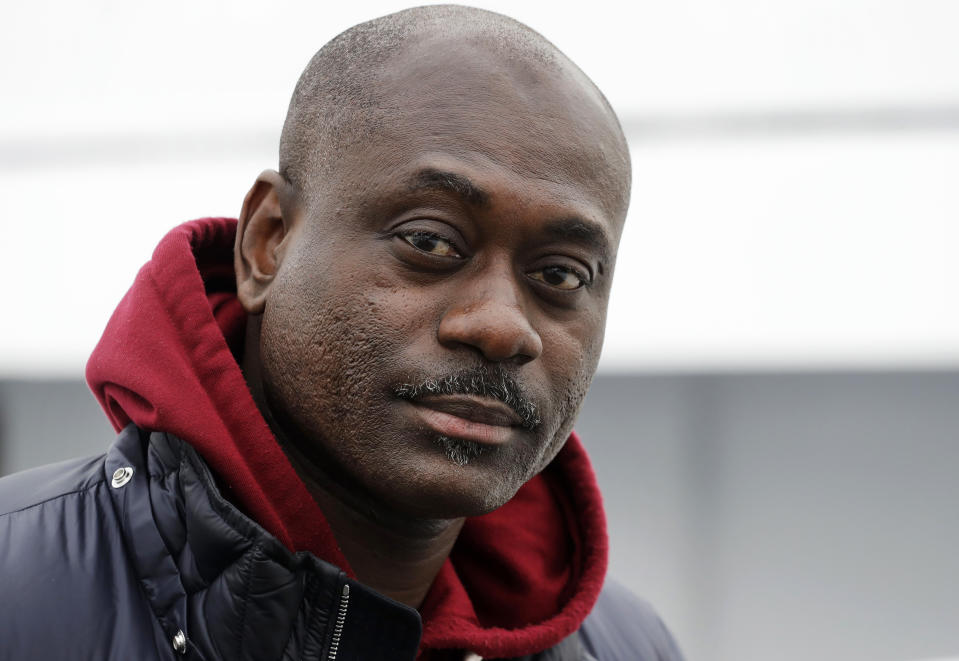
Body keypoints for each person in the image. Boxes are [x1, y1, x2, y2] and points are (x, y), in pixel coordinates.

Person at [0, 6, 684, 660]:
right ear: (267, 243)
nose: (503, 326)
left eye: (562, 276)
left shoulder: (627, 645)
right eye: (429, 240)